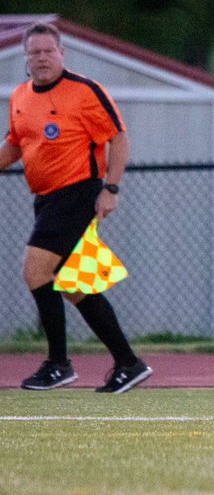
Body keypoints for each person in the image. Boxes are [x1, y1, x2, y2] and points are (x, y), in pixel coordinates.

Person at [1, 22, 152, 392]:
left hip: (77, 193)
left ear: (61, 53)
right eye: (35, 52)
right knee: (75, 284)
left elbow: (118, 138)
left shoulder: (84, 91)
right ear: (26, 57)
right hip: (45, 199)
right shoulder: (20, 96)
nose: (42, 58)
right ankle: (129, 363)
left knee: (35, 271)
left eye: (48, 51)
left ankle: (58, 364)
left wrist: (111, 189)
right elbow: (15, 145)